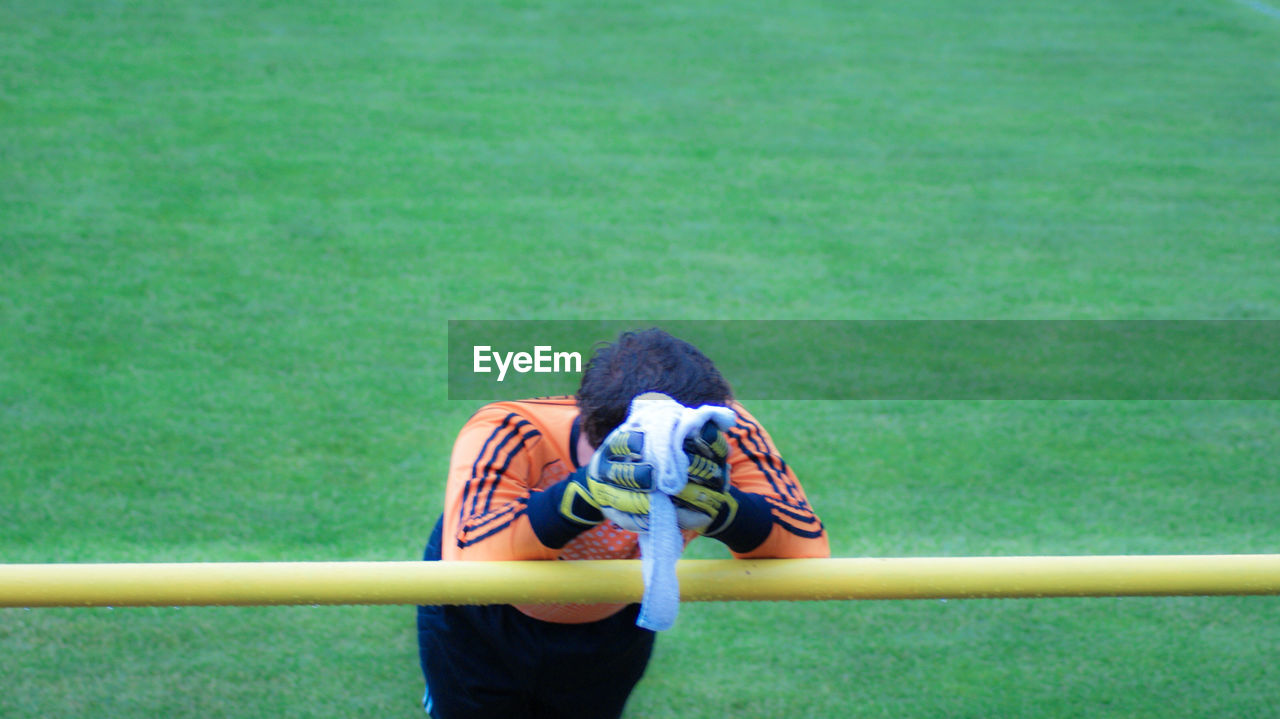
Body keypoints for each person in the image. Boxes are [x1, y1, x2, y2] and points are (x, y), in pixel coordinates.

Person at [417, 328, 829, 719]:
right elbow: (471, 555)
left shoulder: (718, 428)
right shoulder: (511, 426)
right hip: (482, 625)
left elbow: (806, 542)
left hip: (610, 619)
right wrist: (589, 491)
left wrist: (722, 509)